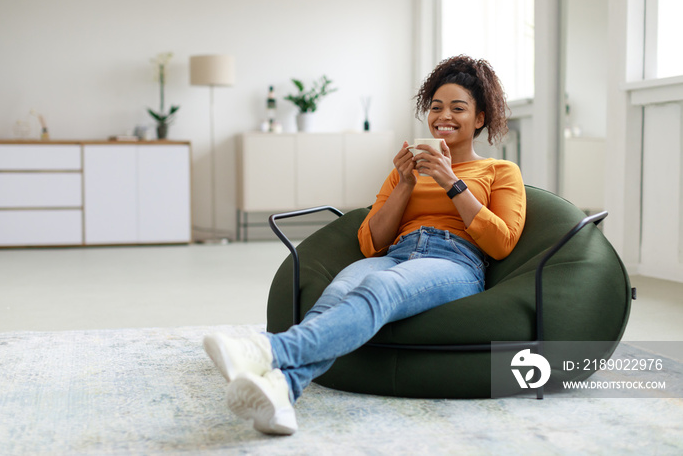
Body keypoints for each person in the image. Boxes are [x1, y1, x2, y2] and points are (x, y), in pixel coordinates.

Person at [203, 54, 527, 435]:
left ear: (480, 118)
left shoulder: (499, 171)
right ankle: (282, 392)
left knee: (379, 286)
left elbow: (501, 242)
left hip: (455, 261)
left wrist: (451, 182)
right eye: (436, 107)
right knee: (339, 288)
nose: (444, 116)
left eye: (458, 108)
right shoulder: (404, 171)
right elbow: (371, 242)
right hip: (399, 252)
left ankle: (269, 351)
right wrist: (405, 182)